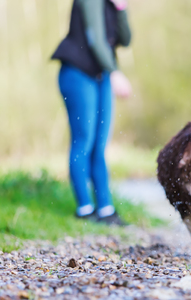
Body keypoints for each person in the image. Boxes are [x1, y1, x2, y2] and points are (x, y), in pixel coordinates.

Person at [52, 0, 132, 225]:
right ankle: (84, 210)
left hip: (100, 75)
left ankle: (106, 210)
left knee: (99, 144)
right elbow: (95, 39)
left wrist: (121, 8)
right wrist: (114, 72)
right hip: (77, 73)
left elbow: (125, 39)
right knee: (83, 140)